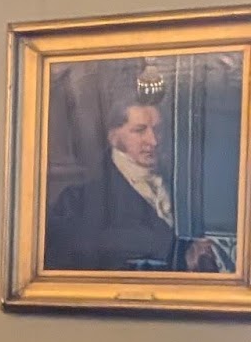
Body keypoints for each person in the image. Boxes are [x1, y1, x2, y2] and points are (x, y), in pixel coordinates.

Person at [44, 98, 223, 272]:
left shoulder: (183, 185)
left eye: (157, 130)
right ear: (113, 137)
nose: (153, 141)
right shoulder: (78, 198)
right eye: (139, 131)